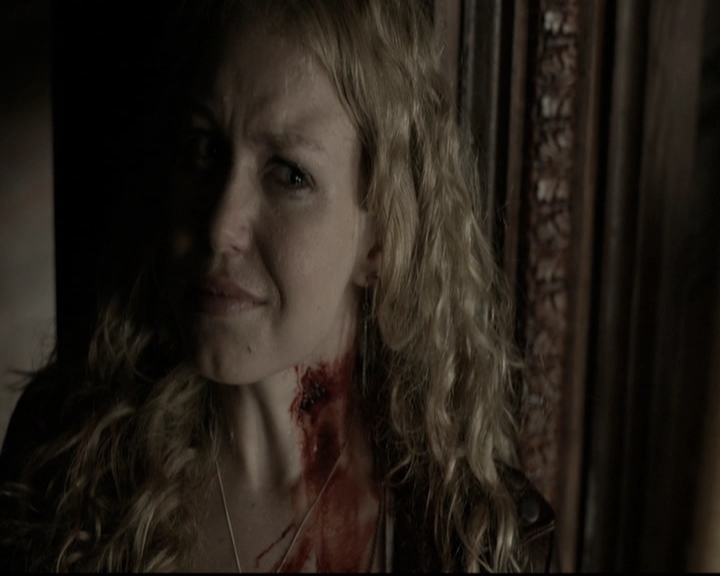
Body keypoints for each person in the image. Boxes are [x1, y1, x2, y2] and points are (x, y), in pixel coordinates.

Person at [0, 0, 555, 572]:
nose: (220, 225)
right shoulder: (61, 473)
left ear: (382, 239)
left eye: (290, 174)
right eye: (204, 147)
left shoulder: (479, 545)